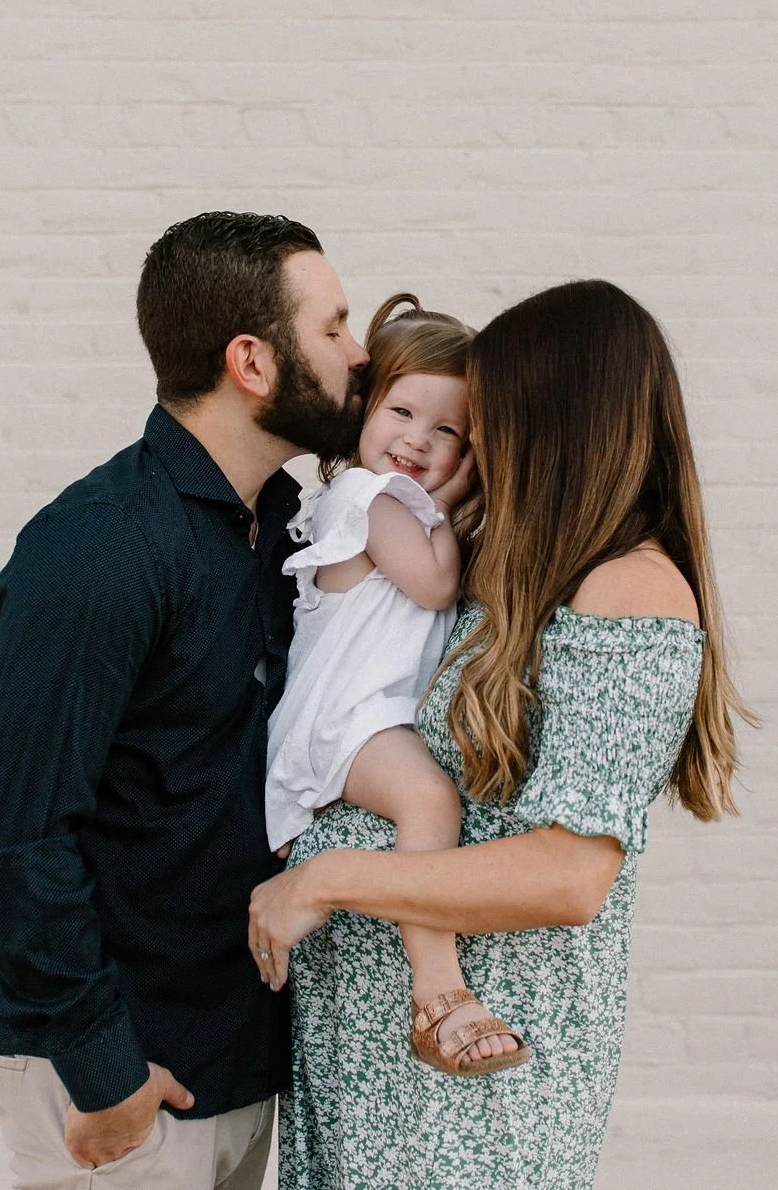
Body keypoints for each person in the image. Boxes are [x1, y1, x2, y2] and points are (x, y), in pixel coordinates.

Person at [247, 279, 754, 1190]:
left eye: (487, 418)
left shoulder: (629, 588)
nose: (469, 442)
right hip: (377, 1076)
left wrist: (326, 876)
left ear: (559, 420)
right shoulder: (512, 567)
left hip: (469, 1097)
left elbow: (569, 873)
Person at [0, 212, 369, 1190]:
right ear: (252, 362)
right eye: (334, 328)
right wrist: (107, 1078)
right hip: (121, 1077)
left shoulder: (284, 533)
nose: (360, 356)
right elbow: (14, 840)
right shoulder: (95, 549)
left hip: (235, 1060)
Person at [261, 294, 526, 1079]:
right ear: (364, 411)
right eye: (403, 411)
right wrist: (452, 497)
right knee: (431, 800)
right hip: (346, 719)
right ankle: (439, 991)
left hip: (362, 716)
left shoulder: (393, 504)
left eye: (447, 431)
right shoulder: (369, 499)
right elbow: (439, 583)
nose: (418, 439)